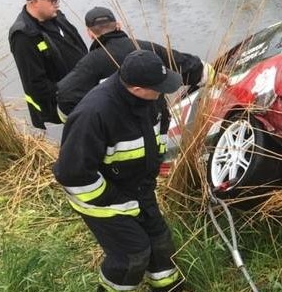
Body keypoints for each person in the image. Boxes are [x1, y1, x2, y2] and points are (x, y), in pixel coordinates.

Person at [53, 50, 185, 292]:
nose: (164, 92)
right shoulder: (94, 114)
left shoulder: (152, 98)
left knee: (159, 240)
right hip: (99, 198)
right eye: (158, 87)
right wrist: (118, 203)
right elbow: (73, 175)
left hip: (139, 186)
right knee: (133, 254)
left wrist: (157, 164)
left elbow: (161, 129)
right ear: (136, 88)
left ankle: (168, 287)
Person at [56, 6, 209, 117]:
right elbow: (190, 67)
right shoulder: (147, 48)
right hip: (154, 123)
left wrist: (87, 120)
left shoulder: (89, 64)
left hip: (116, 133)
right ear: (118, 25)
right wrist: (213, 76)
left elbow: (65, 97)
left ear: (89, 33)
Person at [9, 0, 88, 129]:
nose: (57, 3)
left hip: (82, 90)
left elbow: (78, 46)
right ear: (34, 2)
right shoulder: (23, 35)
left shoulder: (57, 16)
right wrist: (71, 92)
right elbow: (35, 83)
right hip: (60, 102)